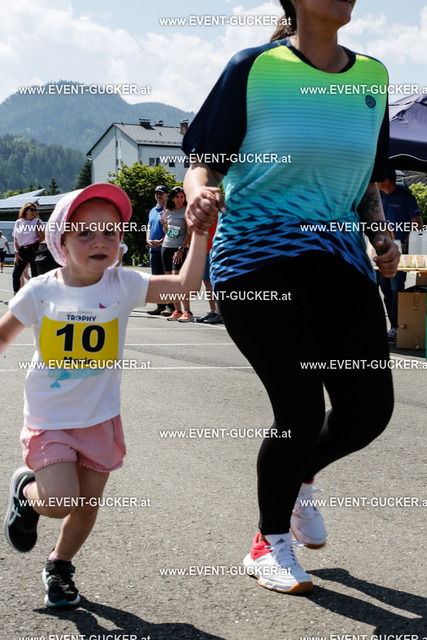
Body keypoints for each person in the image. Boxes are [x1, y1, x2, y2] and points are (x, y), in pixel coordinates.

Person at [182, 0, 399, 595]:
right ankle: (269, 542)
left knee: (368, 411)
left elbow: (366, 181)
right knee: (300, 409)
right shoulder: (253, 67)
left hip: (341, 259)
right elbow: (203, 163)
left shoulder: (373, 77)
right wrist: (198, 193)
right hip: (256, 259)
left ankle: (299, 479)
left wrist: (380, 236)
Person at [1, 183, 210, 608]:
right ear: (60, 241)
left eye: (110, 233)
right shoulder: (40, 289)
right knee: (60, 501)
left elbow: (184, 287)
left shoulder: (123, 284)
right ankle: (27, 494)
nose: (100, 241)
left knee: (86, 506)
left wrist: (201, 231)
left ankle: (60, 566)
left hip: (100, 419)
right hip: (49, 418)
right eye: (85, 233)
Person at [377, 167, 423, 342]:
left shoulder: (406, 197)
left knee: (396, 289)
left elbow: (417, 223)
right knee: (385, 290)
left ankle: (398, 327)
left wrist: (405, 243)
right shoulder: (379, 198)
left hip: (400, 253)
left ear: (385, 179)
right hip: (382, 251)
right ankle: (393, 328)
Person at [161, 186, 193, 322]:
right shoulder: (168, 211)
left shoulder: (187, 211)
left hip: (179, 248)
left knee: (178, 281)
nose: (180, 199)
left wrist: (180, 249)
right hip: (166, 247)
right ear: (172, 198)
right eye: (177, 197)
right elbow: (167, 231)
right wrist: (164, 224)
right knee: (170, 282)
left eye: (182, 197)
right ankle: (177, 311)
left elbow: (189, 234)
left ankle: (188, 312)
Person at [146, 185, 173, 316]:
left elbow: (172, 229)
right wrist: (148, 239)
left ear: (167, 195)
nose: (158, 195)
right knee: (156, 280)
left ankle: (171, 306)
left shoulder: (169, 210)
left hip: (165, 248)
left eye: (161, 193)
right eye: (157, 193)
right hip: (153, 250)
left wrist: (161, 241)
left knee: (167, 280)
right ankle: (160, 306)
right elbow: (149, 227)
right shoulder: (152, 210)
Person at [196, 220, 223, 324]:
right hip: (203, 250)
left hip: (216, 250)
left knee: (216, 282)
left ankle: (219, 313)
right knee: (207, 281)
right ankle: (213, 311)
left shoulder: (217, 212)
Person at [12, 202, 42, 294]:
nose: (33, 212)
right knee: (16, 274)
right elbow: (15, 239)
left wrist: (40, 230)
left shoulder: (38, 222)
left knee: (35, 275)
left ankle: (36, 297)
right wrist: (16, 252)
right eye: (31, 210)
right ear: (26, 210)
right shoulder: (19, 222)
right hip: (22, 250)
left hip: (33, 249)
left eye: (35, 210)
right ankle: (16, 296)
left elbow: (43, 237)